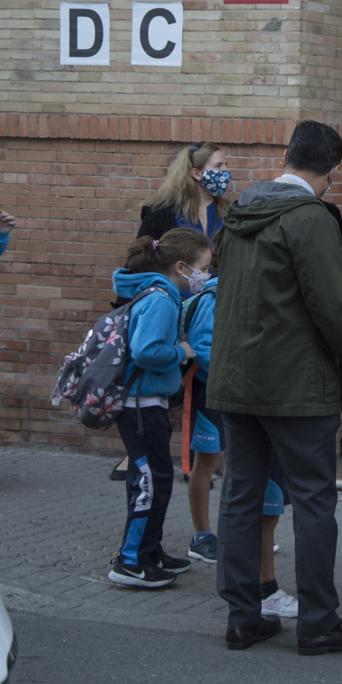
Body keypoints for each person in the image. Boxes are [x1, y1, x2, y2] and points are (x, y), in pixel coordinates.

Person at [209, 120, 342, 653]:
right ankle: (319, 622)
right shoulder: (310, 219)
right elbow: (333, 308)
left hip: (237, 379)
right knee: (312, 500)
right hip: (295, 385)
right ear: (332, 170)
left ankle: (243, 617)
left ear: (287, 157)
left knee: (240, 494)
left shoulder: (242, 212)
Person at [180, 257, 299, 619]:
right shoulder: (217, 298)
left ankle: (251, 578)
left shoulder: (247, 295)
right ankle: (208, 539)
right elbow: (206, 348)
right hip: (223, 397)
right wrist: (239, 376)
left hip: (241, 396)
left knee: (250, 486)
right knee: (214, 465)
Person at [110, 142, 232, 481]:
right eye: (218, 166)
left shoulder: (226, 213)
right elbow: (138, 264)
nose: (224, 174)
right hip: (167, 314)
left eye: (225, 167)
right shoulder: (164, 212)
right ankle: (140, 455)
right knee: (162, 384)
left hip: (206, 314)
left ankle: (200, 459)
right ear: (196, 172)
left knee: (201, 387)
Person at [107, 229, 211, 589]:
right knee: (150, 482)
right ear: (180, 267)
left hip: (147, 403)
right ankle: (130, 561)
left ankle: (150, 551)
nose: (205, 276)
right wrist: (182, 352)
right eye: (202, 268)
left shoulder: (160, 294)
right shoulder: (162, 299)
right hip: (140, 405)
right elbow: (146, 350)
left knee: (158, 481)